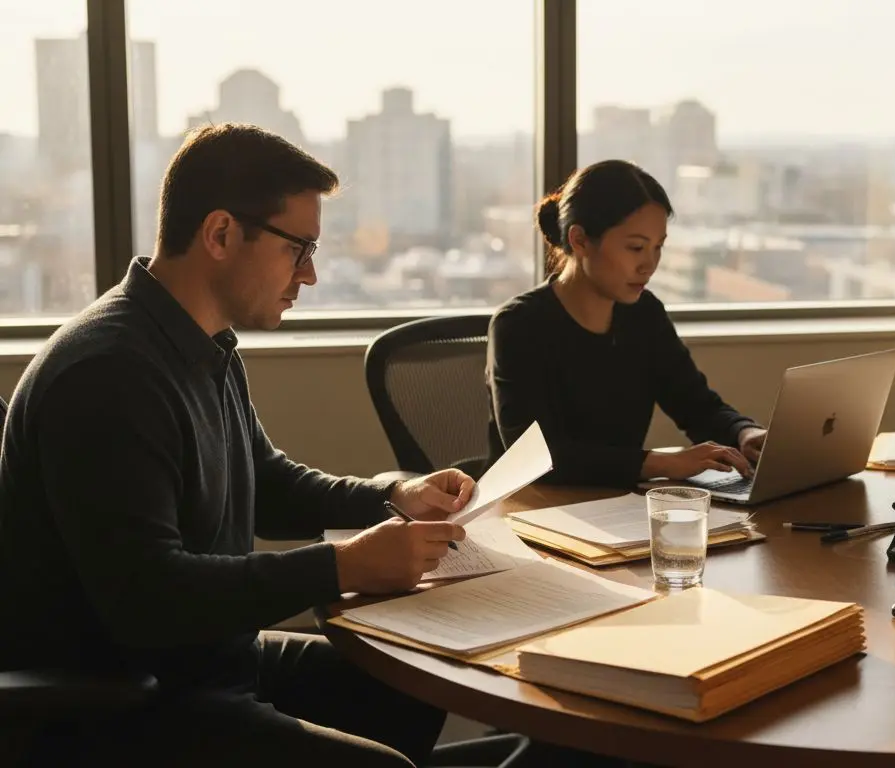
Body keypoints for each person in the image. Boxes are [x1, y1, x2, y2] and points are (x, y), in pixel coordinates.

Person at [0, 124, 475, 767]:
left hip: (208, 659)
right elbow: (148, 598)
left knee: (409, 685)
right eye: (298, 248)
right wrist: (342, 567)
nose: (309, 274)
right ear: (221, 234)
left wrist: (392, 495)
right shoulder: (107, 374)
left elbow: (264, 483)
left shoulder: (205, 342)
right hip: (126, 701)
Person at [487, 159, 767, 487]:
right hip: (534, 512)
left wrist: (744, 432)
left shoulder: (644, 314)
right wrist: (661, 463)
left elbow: (695, 404)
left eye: (658, 247)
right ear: (579, 240)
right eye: (636, 247)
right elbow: (540, 458)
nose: (649, 265)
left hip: (621, 509)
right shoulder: (519, 326)